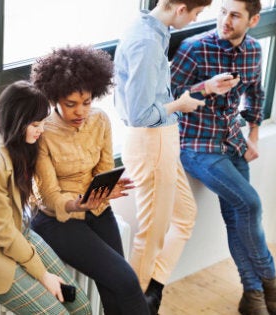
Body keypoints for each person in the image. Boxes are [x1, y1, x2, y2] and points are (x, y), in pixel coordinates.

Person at [171, 0, 276, 314]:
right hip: (196, 146)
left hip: (233, 143)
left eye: (234, 15)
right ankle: (271, 284)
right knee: (250, 203)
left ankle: (252, 296)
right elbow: (168, 96)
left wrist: (253, 134)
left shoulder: (253, 51)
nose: (225, 20)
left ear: (253, 20)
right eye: (222, 12)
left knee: (238, 220)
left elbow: (256, 92)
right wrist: (206, 88)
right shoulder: (193, 48)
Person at [30, 45, 149, 315]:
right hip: (57, 220)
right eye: (71, 104)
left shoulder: (100, 120)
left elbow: (104, 168)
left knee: (115, 286)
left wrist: (107, 189)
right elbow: (47, 196)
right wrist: (77, 205)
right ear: (54, 99)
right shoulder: (43, 132)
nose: (80, 112)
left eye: (87, 102)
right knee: (127, 280)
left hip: (97, 207)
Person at [112, 0, 210, 313]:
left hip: (163, 140)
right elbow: (141, 113)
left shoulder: (154, 32)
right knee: (151, 235)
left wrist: (193, 94)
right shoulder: (146, 41)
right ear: (180, 7)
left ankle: (152, 290)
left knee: (184, 214)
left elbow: (152, 93)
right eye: (197, 12)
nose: (197, 18)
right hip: (151, 142)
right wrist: (179, 106)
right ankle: (135, 306)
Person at [0, 80, 92, 315]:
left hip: (20, 232)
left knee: (82, 306)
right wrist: (43, 276)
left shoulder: (17, 143)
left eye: (42, 122)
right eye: (35, 124)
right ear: (17, 121)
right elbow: (1, 234)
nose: (41, 129)